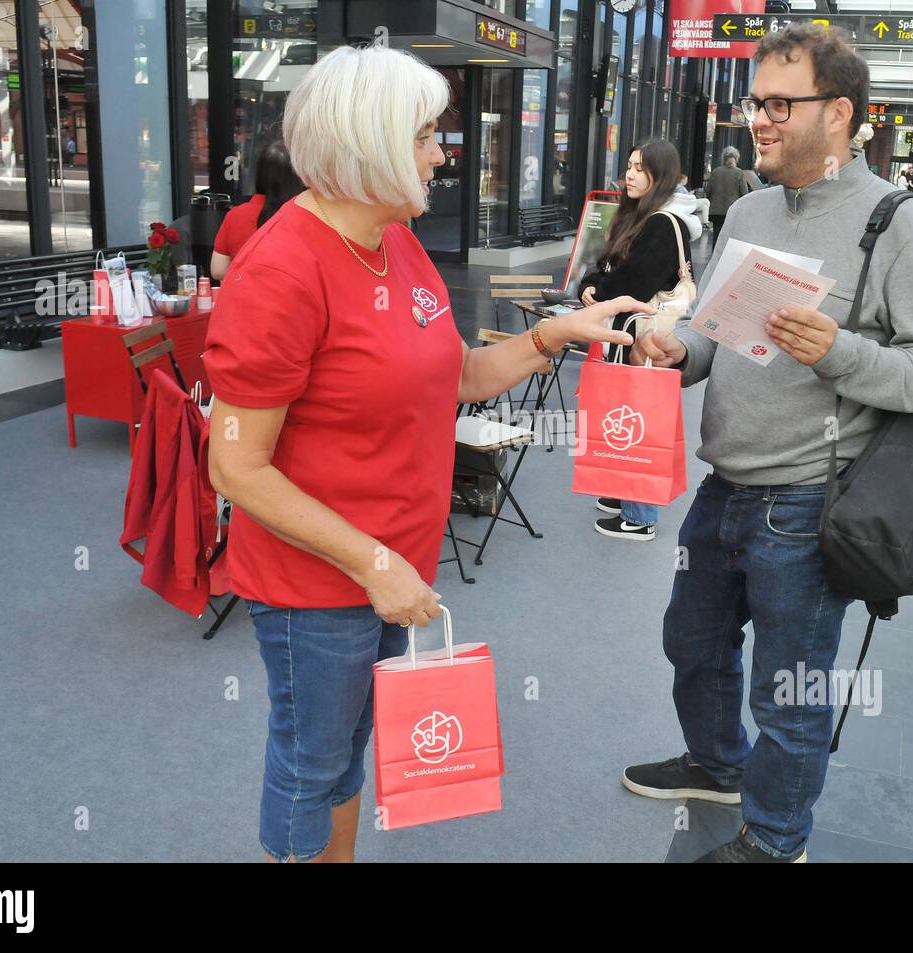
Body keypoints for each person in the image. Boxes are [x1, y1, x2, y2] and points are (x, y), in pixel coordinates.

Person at [203, 44, 647, 865]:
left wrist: (550, 334)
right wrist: (372, 563)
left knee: (343, 755)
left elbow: (452, 377)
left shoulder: (396, 240)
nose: (443, 153)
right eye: (424, 136)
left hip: (394, 560)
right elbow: (234, 465)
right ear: (368, 141)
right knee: (311, 762)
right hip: (319, 580)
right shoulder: (282, 269)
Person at [627, 23, 913, 864]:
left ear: (839, 112)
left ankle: (776, 839)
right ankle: (716, 763)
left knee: (791, 692)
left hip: (810, 502)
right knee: (691, 644)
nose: (759, 121)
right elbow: (716, 337)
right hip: (723, 485)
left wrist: (836, 350)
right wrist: (679, 352)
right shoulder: (745, 211)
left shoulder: (903, 226)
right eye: (756, 102)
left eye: (780, 104)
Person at [576, 139, 702, 542]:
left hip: (644, 340)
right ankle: (621, 493)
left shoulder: (665, 223)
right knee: (619, 414)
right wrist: (593, 284)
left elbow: (635, 281)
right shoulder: (639, 215)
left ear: (659, 175)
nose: (629, 174)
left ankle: (641, 515)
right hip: (624, 334)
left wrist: (601, 290)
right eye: (629, 165)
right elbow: (609, 266)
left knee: (639, 421)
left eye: (640, 168)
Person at [211, 140, 305, 280]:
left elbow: (218, 270)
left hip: (244, 297)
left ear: (259, 174)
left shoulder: (237, 215)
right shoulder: (306, 215)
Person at [706, 146, 748, 242]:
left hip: (716, 210)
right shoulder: (739, 173)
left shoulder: (716, 172)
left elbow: (708, 191)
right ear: (736, 158)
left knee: (716, 236)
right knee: (730, 237)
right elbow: (744, 193)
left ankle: (715, 255)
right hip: (732, 210)